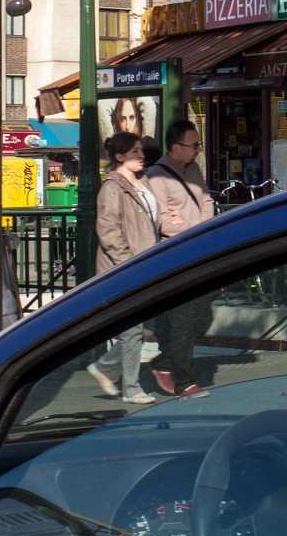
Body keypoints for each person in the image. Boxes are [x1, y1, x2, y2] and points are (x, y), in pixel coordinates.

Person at [87, 133, 160, 405]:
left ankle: (106, 368)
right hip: (127, 267)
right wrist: (128, 263)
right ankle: (131, 388)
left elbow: (152, 219)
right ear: (119, 156)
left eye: (141, 150)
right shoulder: (112, 188)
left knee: (144, 325)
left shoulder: (142, 181)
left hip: (146, 262)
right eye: (134, 151)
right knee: (132, 328)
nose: (141, 156)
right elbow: (107, 230)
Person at [146, 119, 215, 398]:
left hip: (201, 250)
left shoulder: (195, 169)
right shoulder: (157, 177)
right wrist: (194, 225)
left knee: (202, 318)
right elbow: (163, 221)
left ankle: (163, 362)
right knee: (184, 320)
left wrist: (198, 223)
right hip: (175, 257)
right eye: (194, 145)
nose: (198, 149)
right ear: (176, 147)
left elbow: (207, 200)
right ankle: (184, 381)